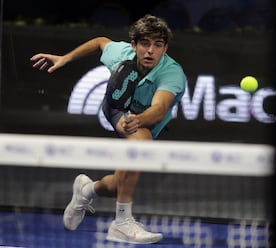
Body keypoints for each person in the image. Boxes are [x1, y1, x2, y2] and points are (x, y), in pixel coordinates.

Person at [30, 14, 186, 244]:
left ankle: (86, 190)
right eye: (145, 43)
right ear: (134, 45)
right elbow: (100, 42)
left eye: (158, 45)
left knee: (117, 185)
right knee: (140, 143)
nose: (150, 51)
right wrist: (65, 58)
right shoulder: (122, 54)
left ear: (165, 48)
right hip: (117, 106)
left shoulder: (171, 73)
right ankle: (122, 222)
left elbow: (160, 108)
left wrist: (139, 119)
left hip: (146, 118)